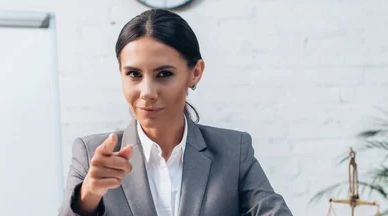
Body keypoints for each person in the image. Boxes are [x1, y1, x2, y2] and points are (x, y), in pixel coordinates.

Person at [58, 8, 292, 216]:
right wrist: (88, 194)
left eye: (164, 74)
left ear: (195, 72)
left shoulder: (233, 151)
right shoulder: (90, 154)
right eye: (134, 74)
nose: (147, 92)